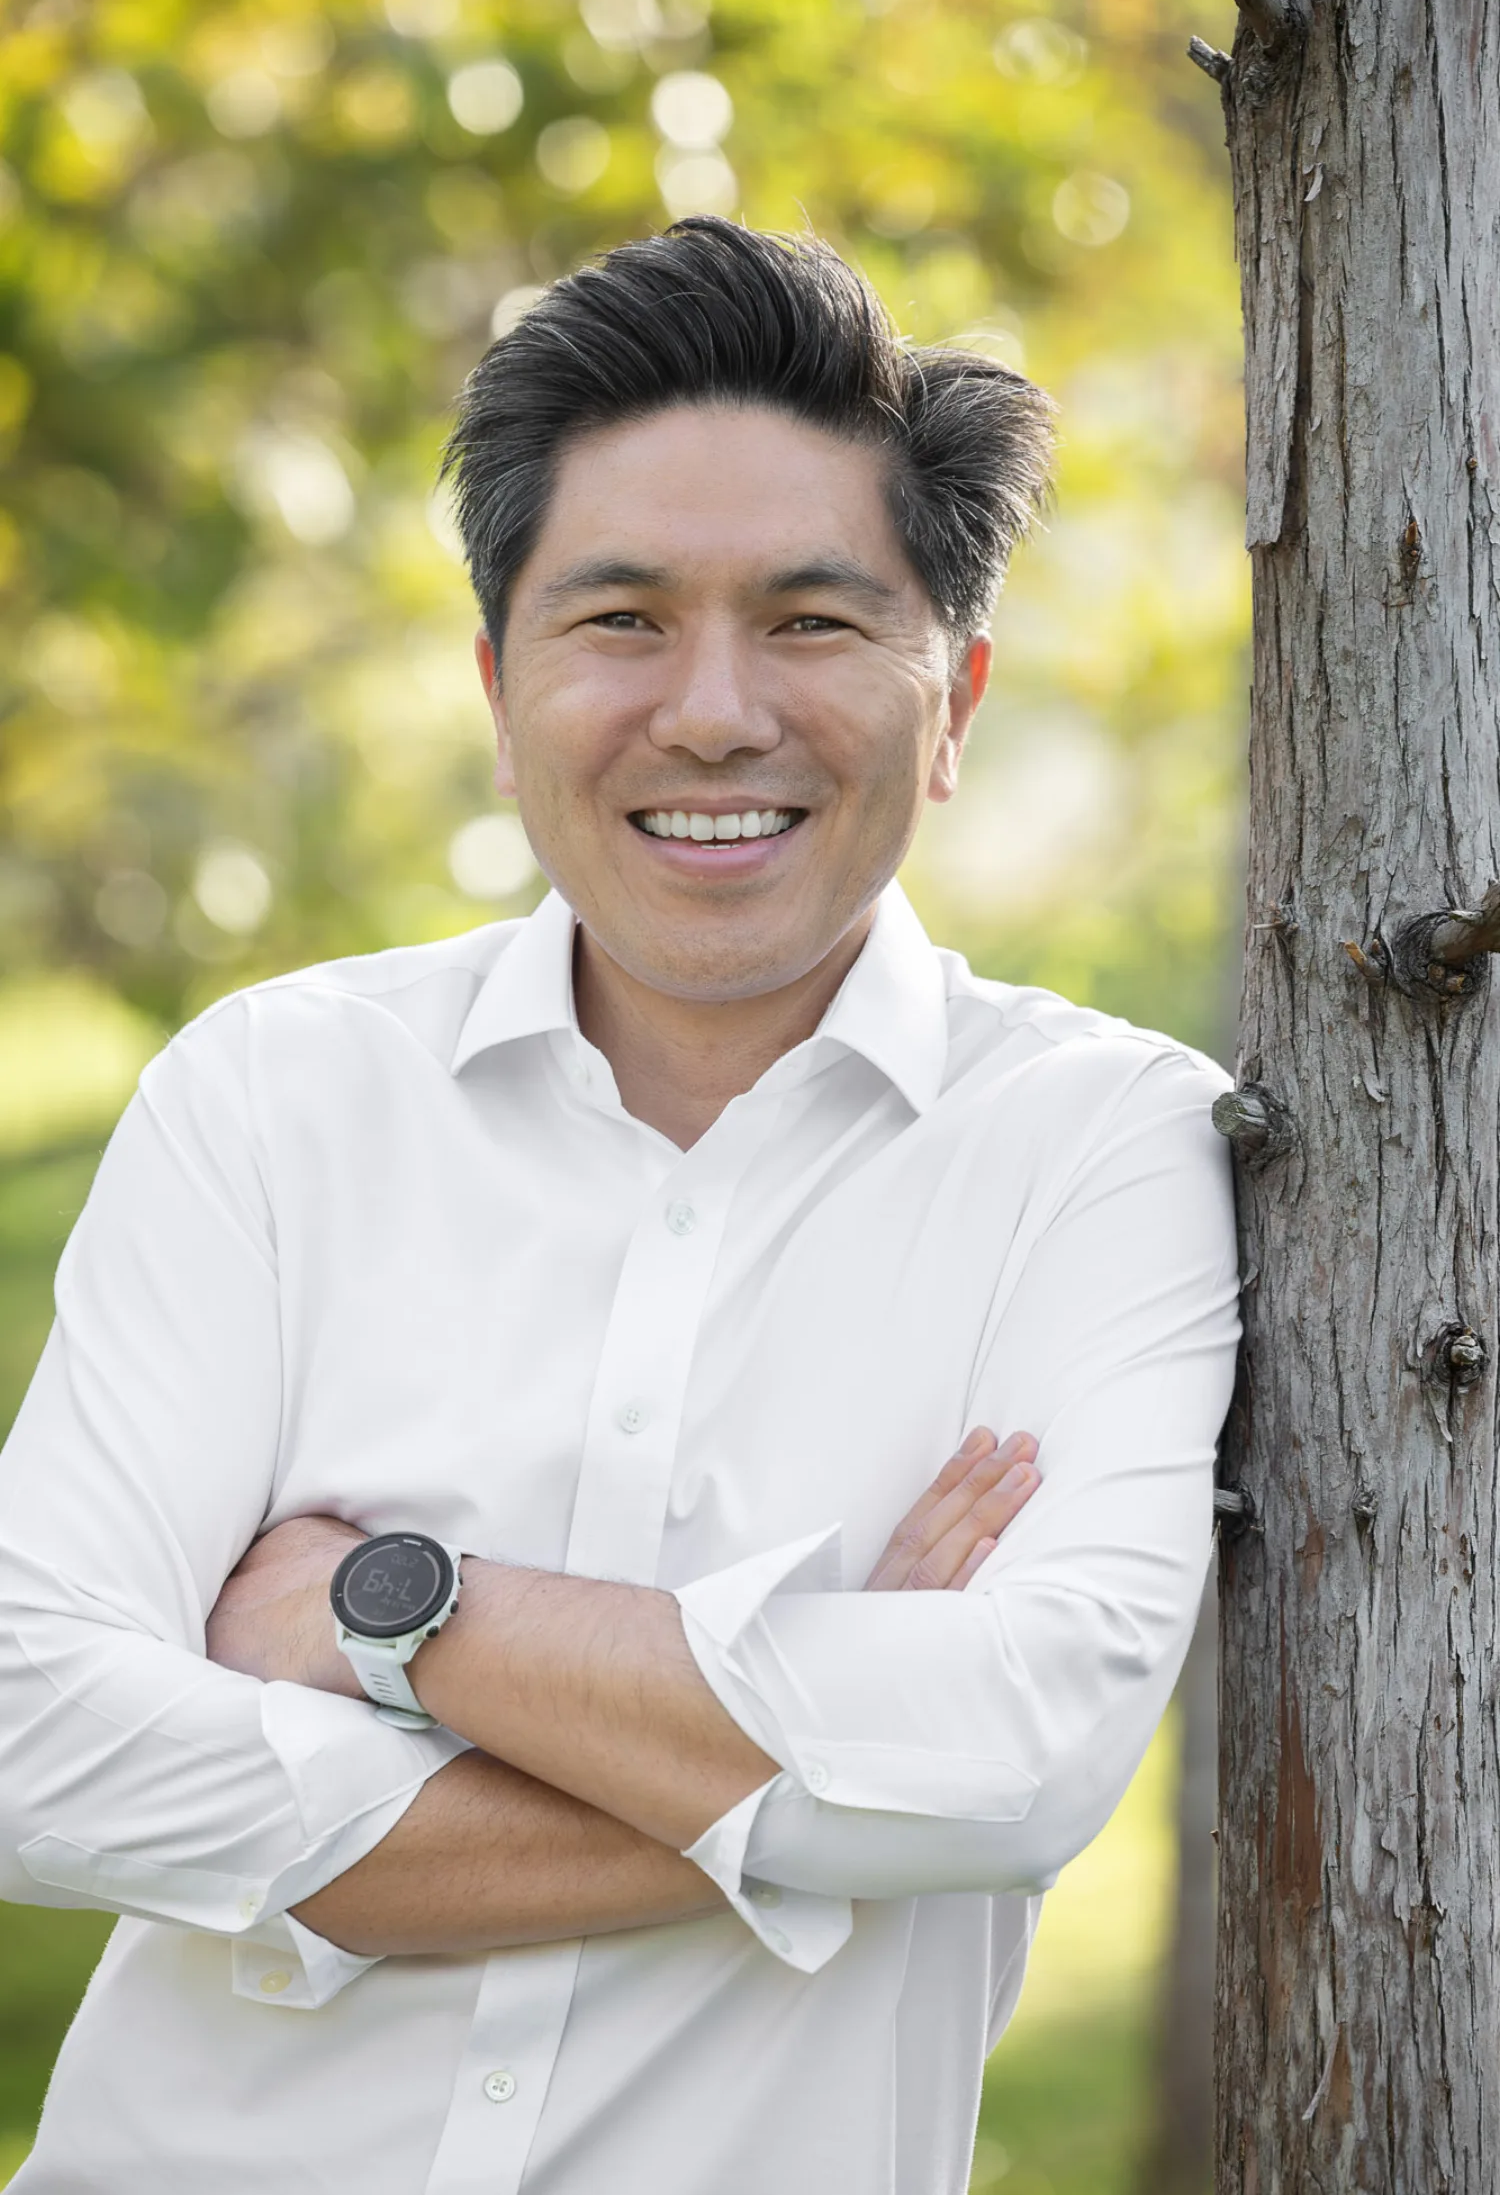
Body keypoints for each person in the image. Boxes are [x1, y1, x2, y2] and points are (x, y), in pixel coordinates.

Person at [0, 218, 1239, 2195]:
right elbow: (31, 1733)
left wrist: (382, 1610)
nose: (717, 712)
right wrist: (804, 1772)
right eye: (621, 620)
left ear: (960, 692)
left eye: (817, 622)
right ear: (499, 685)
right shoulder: (271, 1100)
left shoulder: (1103, 1148)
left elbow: (1016, 1743)